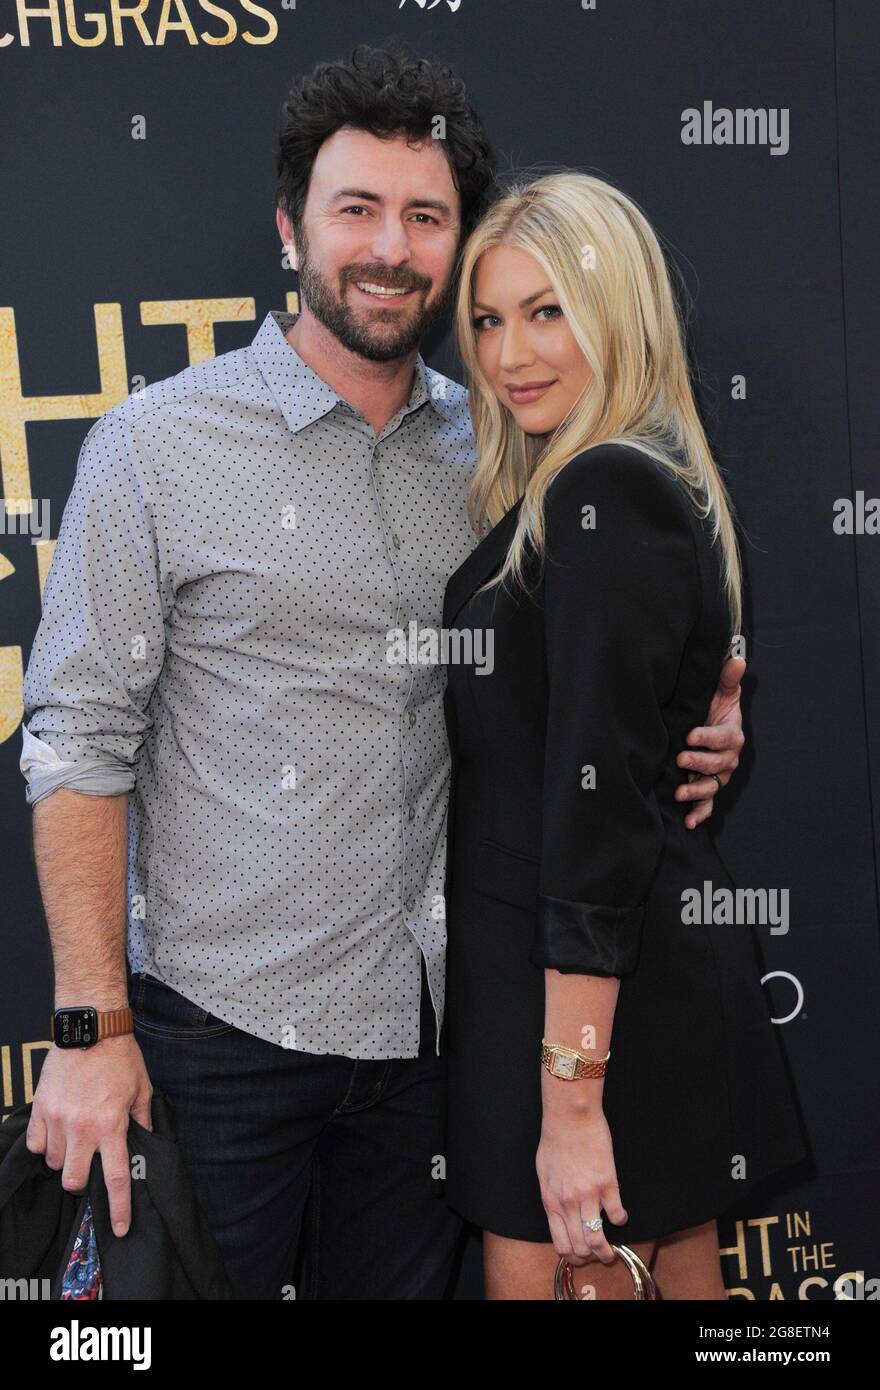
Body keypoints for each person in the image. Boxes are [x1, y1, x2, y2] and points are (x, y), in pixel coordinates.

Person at [18, 47, 745, 1300]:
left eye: (424, 217)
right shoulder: (155, 448)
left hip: (438, 1042)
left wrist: (689, 705)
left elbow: (593, 652)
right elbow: (77, 742)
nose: (390, 248)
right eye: (355, 210)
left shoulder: (507, 443)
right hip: (219, 1032)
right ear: (291, 231)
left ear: (455, 243)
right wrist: (90, 1029)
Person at [441, 170, 807, 1301]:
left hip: (593, 1016)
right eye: (490, 320)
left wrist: (569, 1099)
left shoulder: (606, 492)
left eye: (548, 310)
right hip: (564, 1002)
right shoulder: (576, 484)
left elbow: (594, 824)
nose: (509, 356)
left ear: (620, 311)